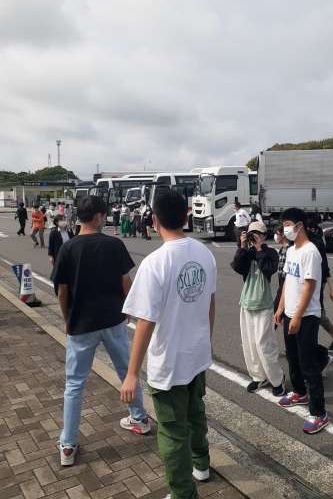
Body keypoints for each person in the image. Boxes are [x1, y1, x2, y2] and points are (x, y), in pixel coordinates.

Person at [120, 191, 217, 499]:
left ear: (154, 220)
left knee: (173, 431)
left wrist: (131, 373)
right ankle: (202, 464)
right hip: (197, 355)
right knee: (196, 413)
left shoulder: (155, 263)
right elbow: (210, 303)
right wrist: (205, 340)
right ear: (186, 216)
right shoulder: (205, 253)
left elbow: (144, 322)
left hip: (169, 360)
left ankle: (183, 493)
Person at [52, 196, 149, 467]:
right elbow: (125, 282)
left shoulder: (69, 248)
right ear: (97, 216)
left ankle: (68, 445)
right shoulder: (113, 244)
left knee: (74, 384)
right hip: (113, 320)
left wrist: (67, 320)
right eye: (103, 215)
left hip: (81, 324)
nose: (105, 218)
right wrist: (129, 310)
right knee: (127, 371)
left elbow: (62, 290)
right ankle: (139, 418)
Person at [275, 207, 329, 435]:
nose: (285, 230)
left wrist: (297, 316)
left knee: (309, 365)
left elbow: (309, 286)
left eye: (288, 225)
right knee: (293, 357)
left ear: (300, 226)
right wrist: (281, 308)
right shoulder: (291, 251)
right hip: (290, 313)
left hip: (306, 316)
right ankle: (299, 392)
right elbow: (288, 282)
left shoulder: (310, 251)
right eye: (284, 225)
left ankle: (319, 413)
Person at [231, 221, 285, 396]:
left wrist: (259, 248)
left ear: (264, 236)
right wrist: (242, 246)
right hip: (246, 302)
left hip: (264, 304)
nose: (254, 237)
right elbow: (237, 267)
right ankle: (258, 376)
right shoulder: (247, 252)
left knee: (265, 344)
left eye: (257, 234)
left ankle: (277, 379)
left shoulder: (270, 253)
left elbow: (269, 269)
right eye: (251, 234)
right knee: (250, 344)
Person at [306, 217, 333, 352]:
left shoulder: (315, 242)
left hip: (316, 282)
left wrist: (331, 288)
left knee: (317, 312)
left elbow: (324, 266)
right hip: (310, 281)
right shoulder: (307, 241)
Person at [273, 224, 290, 313]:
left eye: (277, 234)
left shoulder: (289, 249)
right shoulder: (282, 248)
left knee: (276, 308)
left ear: (283, 235)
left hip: (285, 282)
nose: (275, 236)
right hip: (281, 281)